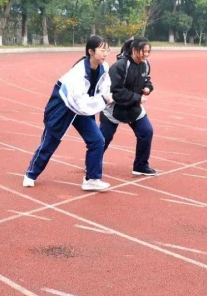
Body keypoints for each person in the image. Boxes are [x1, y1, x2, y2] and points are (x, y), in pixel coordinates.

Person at [23, 36, 113, 190]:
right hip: (64, 106)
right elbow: (78, 103)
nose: (106, 53)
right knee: (50, 142)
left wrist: (104, 97)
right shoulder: (78, 73)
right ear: (91, 51)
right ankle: (31, 174)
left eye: (107, 50)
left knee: (97, 140)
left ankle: (92, 179)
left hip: (84, 105)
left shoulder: (104, 67)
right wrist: (103, 101)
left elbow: (104, 88)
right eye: (102, 50)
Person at [99, 37, 156, 176]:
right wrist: (138, 97)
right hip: (114, 109)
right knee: (102, 140)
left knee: (146, 131)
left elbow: (147, 79)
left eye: (149, 51)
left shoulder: (145, 64)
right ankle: (92, 164)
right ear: (134, 50)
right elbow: (116, 91)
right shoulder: (120, 66)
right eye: (144, 51)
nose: (146, 55)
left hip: (133, 108)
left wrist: (148, 88)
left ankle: (140, 166)